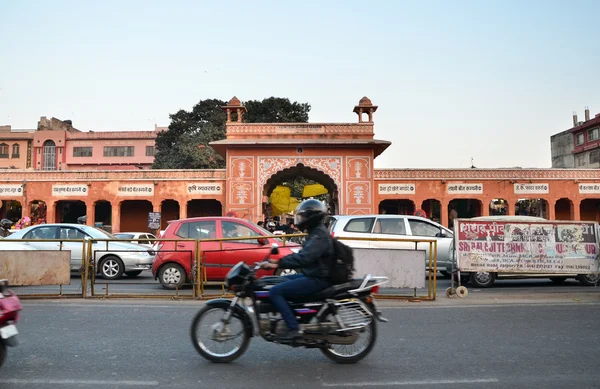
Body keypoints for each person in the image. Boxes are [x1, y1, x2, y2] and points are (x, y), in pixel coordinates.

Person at [261, 199, 334, 341]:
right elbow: (302, 256)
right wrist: (275, 260)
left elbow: (304, 258)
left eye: (304, 216)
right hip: (313, 274)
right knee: (278, 281)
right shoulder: (315, 232)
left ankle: (294, 328)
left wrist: (278, 263)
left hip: (318, 278)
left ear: (311, 218)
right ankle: (293, 315)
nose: (301, 220)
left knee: (275, 292)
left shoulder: (318, 235)